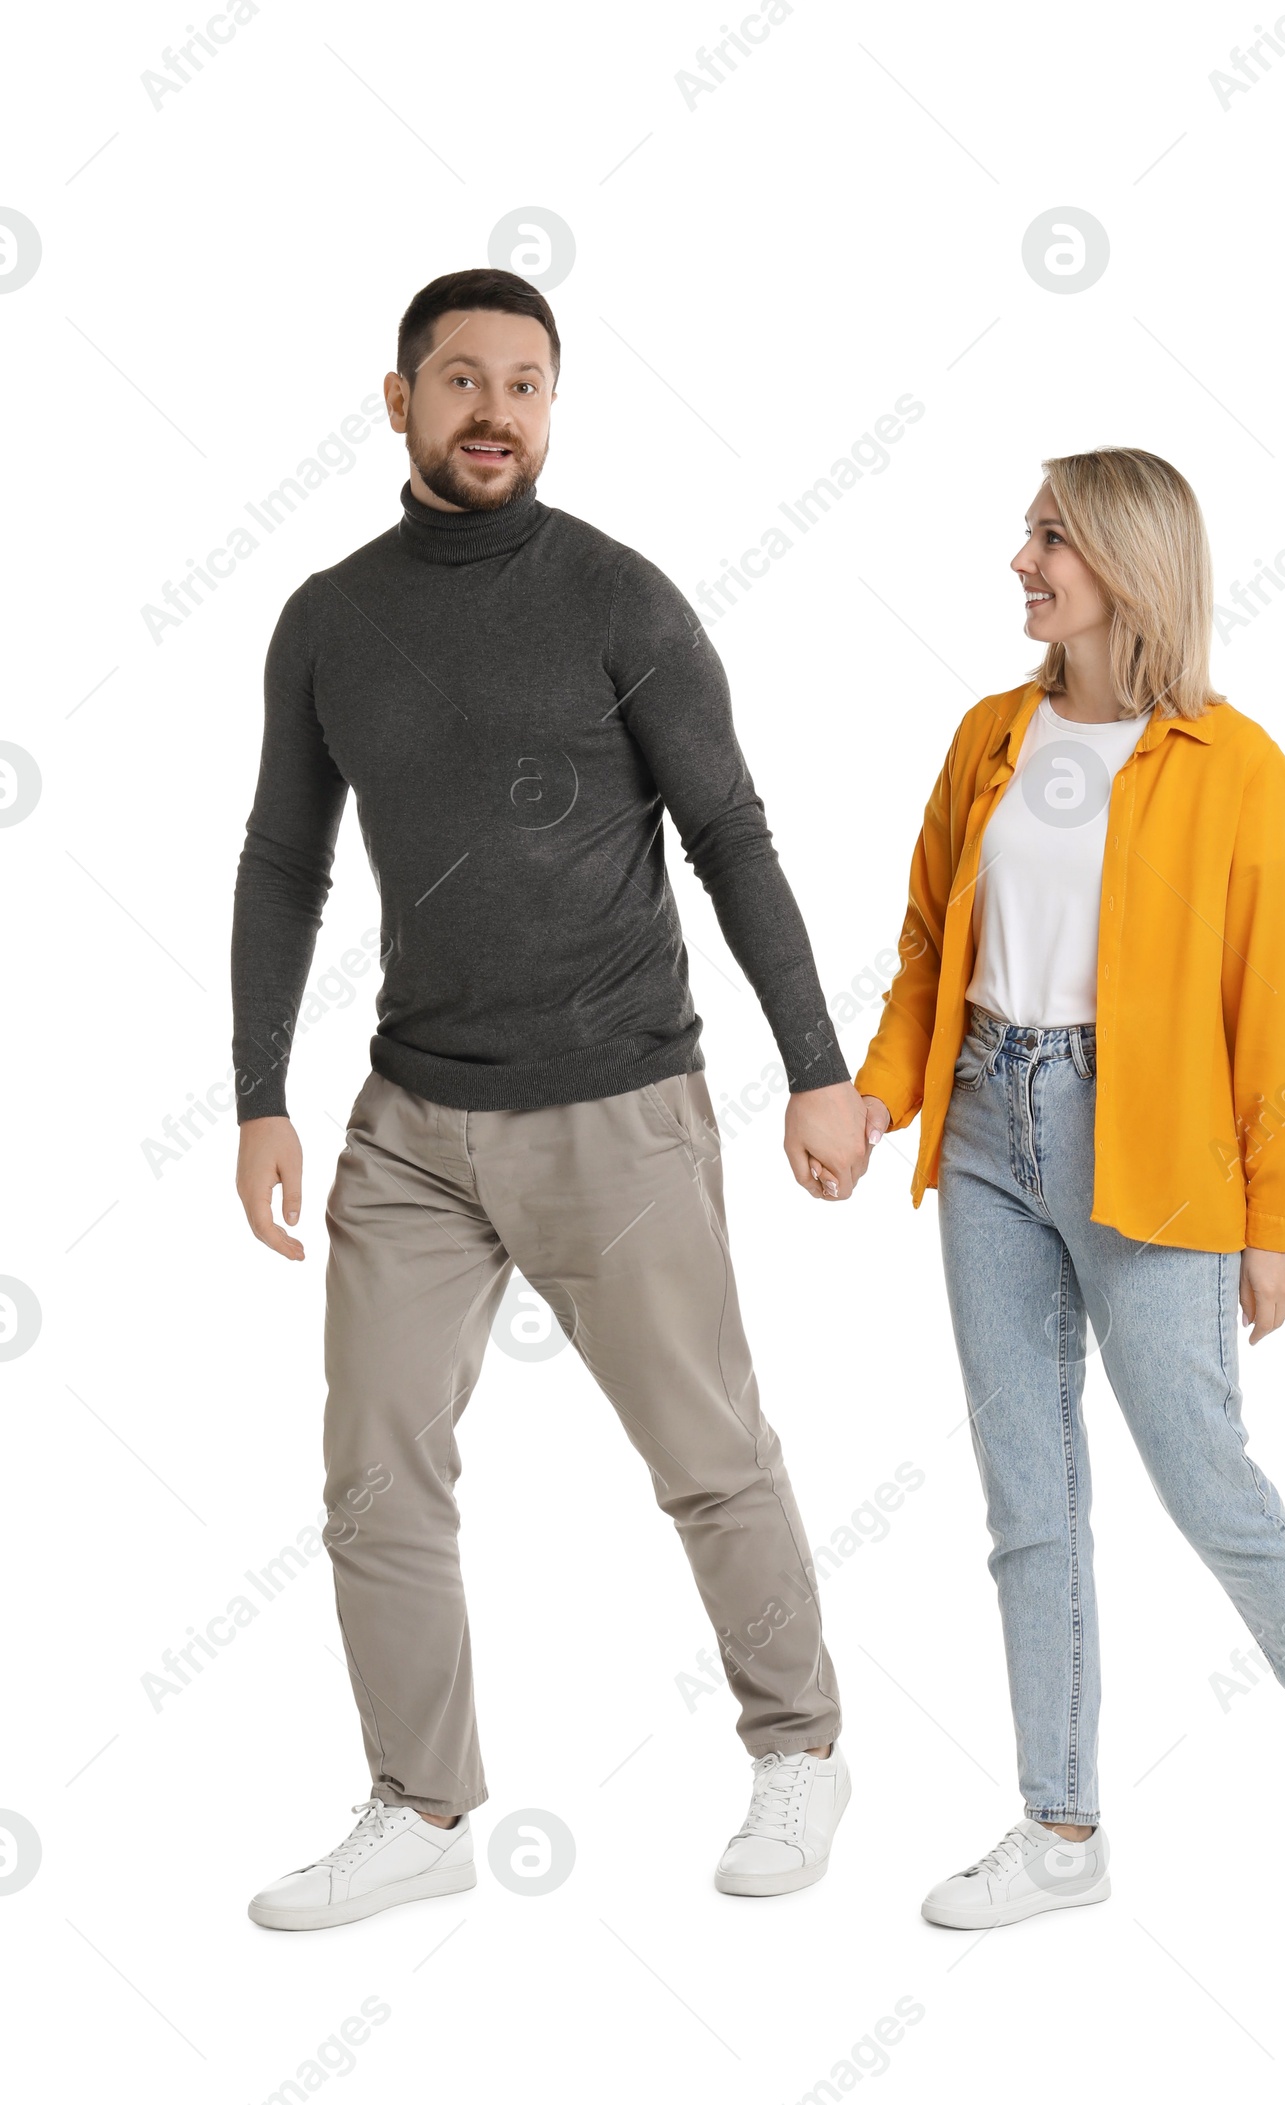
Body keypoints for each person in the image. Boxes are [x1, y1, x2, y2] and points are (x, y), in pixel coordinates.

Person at [232, 268, 865, 1931]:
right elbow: (284, 861)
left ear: (552, 407)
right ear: (400, 403)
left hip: (615, 1105)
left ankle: (799, 1746)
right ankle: (420, 1801)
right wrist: (257, 1092)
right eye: (461, 379)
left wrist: (816, 1064)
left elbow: (733, 835)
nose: (494, 409)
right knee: (373, 1470)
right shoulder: (326, 618)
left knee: (707, 1449)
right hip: (411, 1117)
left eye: (525, 382)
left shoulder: (620, 600)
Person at [852, 448, 1285, 1930]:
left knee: (1205, 1480)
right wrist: (876, 1092)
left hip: (1149, 1145)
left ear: (1127, 566)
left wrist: (1273, 1219)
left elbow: (1263, 1005)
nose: (1021, 560)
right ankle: (1060, 1828)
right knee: (1028, 1500)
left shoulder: (1237, 763)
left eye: (1050, 538)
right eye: (1029, 534)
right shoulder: (985, 737)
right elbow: (924, 953)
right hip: (984, 1136)